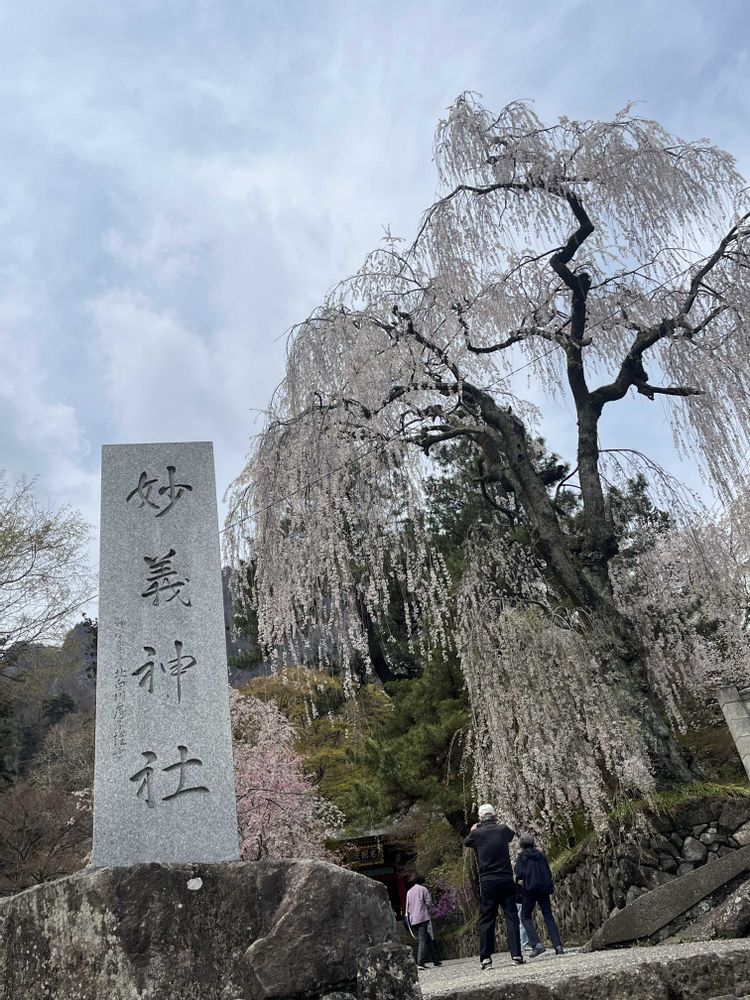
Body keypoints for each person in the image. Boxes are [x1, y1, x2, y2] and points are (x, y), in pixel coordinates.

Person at [464, 803, 523, 970]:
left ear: (481, 818)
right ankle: (516, 955)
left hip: (488, 881)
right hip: (505, 878)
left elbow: (467, 842)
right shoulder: (502, 829)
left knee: (487, 918)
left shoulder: (477, 833)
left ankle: (486, 959)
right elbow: (511, 835)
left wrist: (473, 829)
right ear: (494, 815)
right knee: (511, 915)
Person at [514, 832, 565, 957]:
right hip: (543, 889)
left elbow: (519, 873)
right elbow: (548, 871)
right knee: (548, 916)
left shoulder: (522, 856)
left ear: (522, 845)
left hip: (530, 889)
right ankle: (558, 946)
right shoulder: (541, 855)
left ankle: (536, 944)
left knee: (525, 916)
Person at [405, 874, 442, 970]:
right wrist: (430, 910)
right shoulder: (423, 889)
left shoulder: (409, 892)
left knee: (428, 939)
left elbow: (407, 907)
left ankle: (435, 960)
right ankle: (420, 962)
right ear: (422, 881)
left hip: (413, 919)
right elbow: (429, 903)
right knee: (423, 940)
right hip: (422, 917)